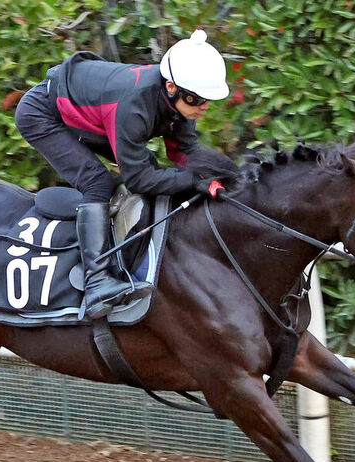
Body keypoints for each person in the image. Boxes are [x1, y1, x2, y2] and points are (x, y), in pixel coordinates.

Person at [15, 29, 231, 319]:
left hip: (89, 111)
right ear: (170, 87)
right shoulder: (135, 105)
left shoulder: (179, 101)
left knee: (153, 166)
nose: (203, 108)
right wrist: (194, 181)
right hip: (43, 114)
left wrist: (230, 175)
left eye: (207, 100)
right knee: (97, 182)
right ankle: (96, 282)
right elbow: (138, 179)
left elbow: (184, 151)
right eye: (196, 100)